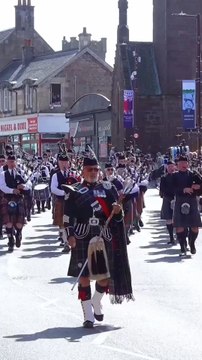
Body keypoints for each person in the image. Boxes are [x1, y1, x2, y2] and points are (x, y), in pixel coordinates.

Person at [63, 156, 133, 328]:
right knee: (84, 277)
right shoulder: (74, 190)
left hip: (102, 236)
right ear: (83, 171)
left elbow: (118, 216)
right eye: (89, 170)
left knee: (103, 279)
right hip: (82, 236)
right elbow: (67, 216)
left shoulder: (108, 189)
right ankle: (88, 315)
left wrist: (118, 211)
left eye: (95, 169)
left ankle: (96, 301)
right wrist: (69, 235)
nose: (93, 173)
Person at [172, 155, 202, 256]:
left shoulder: (194, 174)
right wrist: (183, 189)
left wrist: (199, 186)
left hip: (192, 201)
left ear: (188, 164)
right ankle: (182, 245)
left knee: (195, 227)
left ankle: (192, 243)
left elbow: (201, 185)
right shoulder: (174, 176)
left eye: (185, 163)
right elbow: (171, 189)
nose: (183, 165)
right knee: (180, 227)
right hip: (180, 201)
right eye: (180, 164)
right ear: (177, 165)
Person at [0, 154, 30, 252]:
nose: (12, 163)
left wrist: (23, 186)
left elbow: (29, 185)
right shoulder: (3, 174)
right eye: (10, 161)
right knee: (8, 223)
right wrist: (12, 190)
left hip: (19, 199)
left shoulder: (20, 172)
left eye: (13, 161)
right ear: (7, 162)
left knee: (19, 223)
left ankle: (18, 234)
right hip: (7, 199)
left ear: (16, 162)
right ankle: (11, 242)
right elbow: (2, 186)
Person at [160, 160, 176, 245]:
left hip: (178, 199)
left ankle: (180, 238)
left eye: (172, 166)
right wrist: (169, 198)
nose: (171, 168)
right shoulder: (164, 177)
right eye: (169, 167)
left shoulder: (178, 176)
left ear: (175, 167)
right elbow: (162, 189)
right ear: (167, 168)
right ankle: (171, 238)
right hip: (167, 199)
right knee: (169, 219)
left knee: (179, 219)